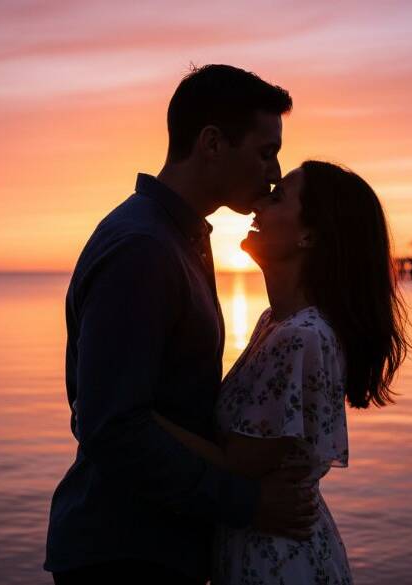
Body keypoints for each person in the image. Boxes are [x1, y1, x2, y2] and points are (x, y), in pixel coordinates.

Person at [45, 65, 319, 585]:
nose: (276, 172)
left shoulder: (181, 237)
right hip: (125, 554)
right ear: (212, 143)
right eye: (266, 152)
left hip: (159, 544)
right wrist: (248, 503)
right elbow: (111, 425)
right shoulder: (143, 249)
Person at [154, 160, 412, 583]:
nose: (259, 203)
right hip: (263, 547)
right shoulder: (275, 323)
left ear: (308, 235)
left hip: (277, 560)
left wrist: (138, 416)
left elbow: (237, 464)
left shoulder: (300, 337)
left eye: (277, 198)